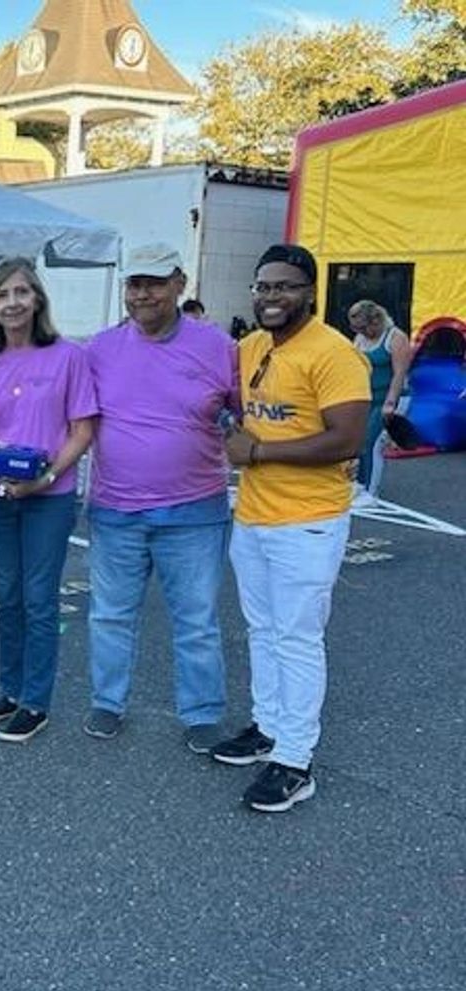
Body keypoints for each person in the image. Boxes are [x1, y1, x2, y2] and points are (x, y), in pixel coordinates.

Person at [213, 244, 369, 813]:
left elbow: (346, 438)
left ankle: (296, 760)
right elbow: (222, 399)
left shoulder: (334, 353)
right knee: (261, 630)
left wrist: (257, 451)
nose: (270, 297)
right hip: (253, 516)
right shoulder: (252, 346)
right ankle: (269, 728)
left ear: (310, 293)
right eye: (262, 287)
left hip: (308, 522)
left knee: (298, 638)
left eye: (283, 287)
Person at [82, 243, 237, 753]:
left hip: (196, 511)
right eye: (134, 283)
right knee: (110, 614)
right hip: (115, 511)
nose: (142, 293)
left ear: (179, 284)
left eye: (153, 282)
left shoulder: (217, 347)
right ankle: (108, 701)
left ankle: (201, 712)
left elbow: (244, 416)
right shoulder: (99, 349)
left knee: (196, 621)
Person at [0, 257, 96, 743]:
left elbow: (83, 430)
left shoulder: (68, 356)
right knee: (8, 599)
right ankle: (10, 689)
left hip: (49, 497)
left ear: (37, 298)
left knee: (40, 602)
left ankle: (35, 702)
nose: (13, 302)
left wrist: (47, 477)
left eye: (21, 292)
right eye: (3, 295)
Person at [347, 299, 413, 500]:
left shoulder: (395, 337)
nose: (361, 332)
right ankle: (359, 484)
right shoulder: (359, 338)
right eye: (356, 328)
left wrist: (390, 404)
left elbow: (399, 374)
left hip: (390, 398)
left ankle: (370, 493)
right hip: (367, 398)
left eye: (363, 327)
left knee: (373, 443)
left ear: (375, 321)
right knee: (359, 442)